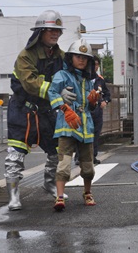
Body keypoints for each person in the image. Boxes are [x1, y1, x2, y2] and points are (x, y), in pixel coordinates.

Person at [5, 10, 74, 211]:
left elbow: (72, 76)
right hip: (23, 111)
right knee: (15, 155)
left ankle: (50, 184)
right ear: (40, 31)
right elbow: (30, 83)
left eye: (58, 31)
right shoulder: (25, 56)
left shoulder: (62, 57)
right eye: (51, 30)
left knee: (57, 152)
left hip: (47, 111)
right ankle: (13, 195)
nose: (55, 34)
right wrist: (56, 90)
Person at [48, 38, 100, 211]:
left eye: (85, 57)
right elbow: (52, 92)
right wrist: (63, 107)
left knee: (88, 166)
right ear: (70, 58)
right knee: (63, 164)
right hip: (67, 125)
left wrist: (93, 102)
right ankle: (59, 197)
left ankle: (87, 193)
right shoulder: (61, 75)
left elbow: (90, 107)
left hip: (86, 127)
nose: (81, 60)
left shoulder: (89, 80)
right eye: (78, 56)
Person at [74, 54, 111, 165]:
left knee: (95, 135)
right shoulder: (82, 78)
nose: (94, 66)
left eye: (96, 64)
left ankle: (92, 156)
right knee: (80, 134)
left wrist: (105, 101)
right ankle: (78, 157)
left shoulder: (100, 80)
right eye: (93, 64)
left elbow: (107, 94)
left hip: (97, 111)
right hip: (84, 111)